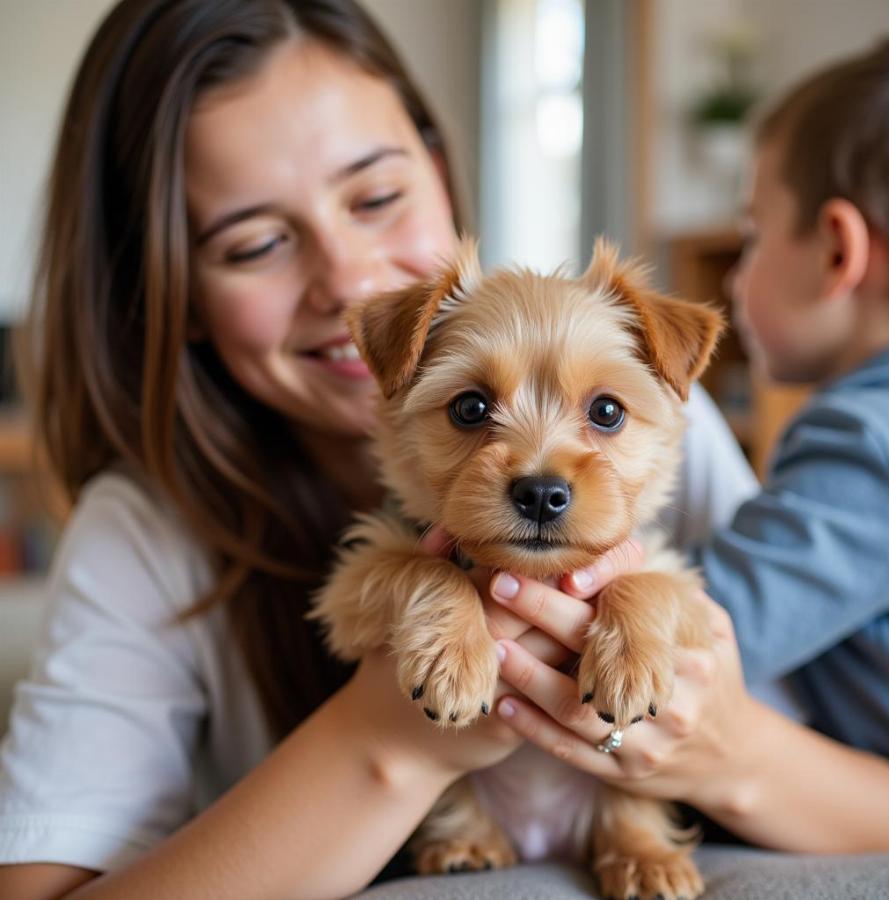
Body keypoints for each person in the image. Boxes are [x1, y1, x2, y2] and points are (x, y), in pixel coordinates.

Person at [0, 1, 758, 898]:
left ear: (438, 165)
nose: (351, 279)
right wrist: (390, 737)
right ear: (172, 286)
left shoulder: (675, 414)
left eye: (376, 196)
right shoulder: (140, 530)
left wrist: (730, 753)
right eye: (256, 243)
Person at [490, 38, 889, 857]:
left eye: (750, 239)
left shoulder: (867, 437)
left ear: (836, 251)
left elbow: (723, 622)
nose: (737, 274)